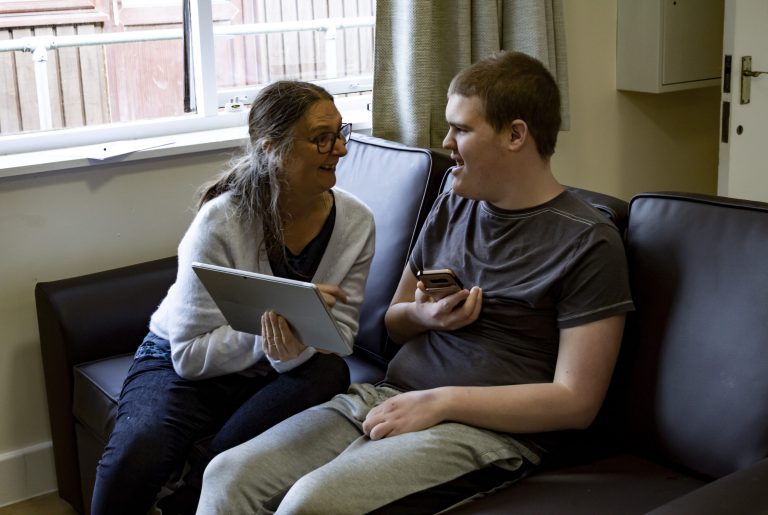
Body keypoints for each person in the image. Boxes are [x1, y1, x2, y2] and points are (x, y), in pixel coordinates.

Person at [196, 51, 634, 514]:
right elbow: (395, 323)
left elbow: (576, 402)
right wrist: (424, 316)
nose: (446, 142)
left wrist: (441, 403)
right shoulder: (453, 201)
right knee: (227, 474)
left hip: (484, 431)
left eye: (462, 129)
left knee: (311, 504)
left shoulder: (589, 240)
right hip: (390, 397)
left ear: (516, 134)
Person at [90, 80, 375, 515]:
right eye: (321, 139)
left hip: (278, 370)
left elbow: (340, 339)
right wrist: (272, 337)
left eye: (341, 133)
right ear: (271, 149)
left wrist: (287, 350)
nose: (340, 150)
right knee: (138, 451)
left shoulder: (356, 223)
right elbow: (188, 355)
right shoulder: (221, 221)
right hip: (179, 363)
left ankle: (188, 501)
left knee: (329, 373)